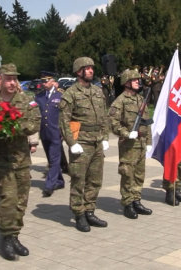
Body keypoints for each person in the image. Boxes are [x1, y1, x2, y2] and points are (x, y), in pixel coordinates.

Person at [0, 63, 40, 260]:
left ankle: (15, 234)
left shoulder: (27, 100)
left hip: (22, 158)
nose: (11, 82)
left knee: (21, 200)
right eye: (7, 78)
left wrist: (11, 126)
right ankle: (6, 237)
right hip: (1, 158)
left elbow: (34, 123)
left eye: (14, 78)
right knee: (8, 198)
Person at [59, 57, 109, 232]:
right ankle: (79, 214)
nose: (91, 71)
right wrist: (71, 143)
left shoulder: (97, 91)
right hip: (81, 142)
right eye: (87, 68)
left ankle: (90, 210)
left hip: (96, 141)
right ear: (78, 71)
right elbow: (64, 121)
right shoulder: (70, 93)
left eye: (91, 68)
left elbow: (104, 117)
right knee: (79, 179)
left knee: (95, 179)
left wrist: (105, 138)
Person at [108, 69, 153, 219]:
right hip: (128, 145)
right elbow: (113, 123)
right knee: (128, 175)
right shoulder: (120, 101)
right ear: (126, 83)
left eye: (138, 80)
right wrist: (127, 133)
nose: (137, 82)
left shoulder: (141, 100)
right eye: (134, 80)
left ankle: (136, 200)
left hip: (140, 144)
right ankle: (127, 203)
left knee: (139, 175)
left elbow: (147, 122)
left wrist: (149, 141)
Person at [35, 76, 65, 197]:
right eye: (42, 81)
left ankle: (49, 185)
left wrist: (64, 131)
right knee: (51, 159)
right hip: (44, 133)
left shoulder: (60, 96)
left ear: (53, 82)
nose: (44, 83)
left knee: (54, 159)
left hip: (56, 133)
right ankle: (60, 181)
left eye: (46, 80)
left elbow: (65, 115)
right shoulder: (39, 96)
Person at [163, 94, 181, 205]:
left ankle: (177, 188)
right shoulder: (168, 94)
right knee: (172, 164)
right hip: (172, 137)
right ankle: (170, 191)